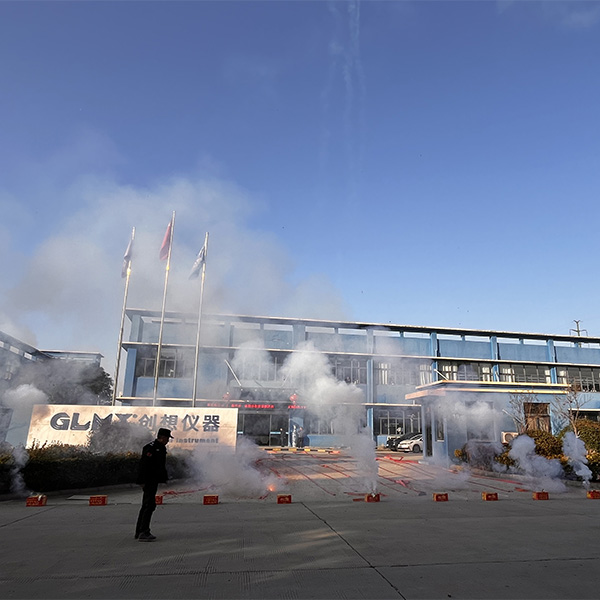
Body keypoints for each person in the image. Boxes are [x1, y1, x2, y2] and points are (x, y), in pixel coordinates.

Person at [135, 427, 173, 542]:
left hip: (153, 480)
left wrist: (163, 478)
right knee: (149, 505)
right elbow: (143, 465)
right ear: (162, 437)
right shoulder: (151, 448)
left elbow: (160, 466)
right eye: (167, 438)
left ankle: (139, 531)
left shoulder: (160, 447)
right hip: (148, 480)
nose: (168, 441)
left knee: (147, 505)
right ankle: (143, 531)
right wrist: (141, 481)